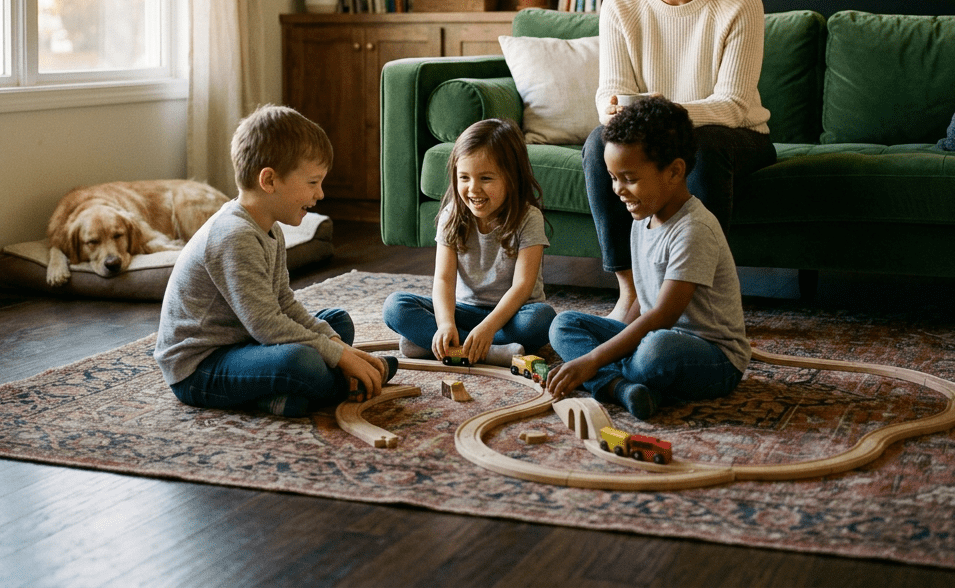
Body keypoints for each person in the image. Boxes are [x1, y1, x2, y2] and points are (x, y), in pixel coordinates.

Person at [583, 0, 776, 322]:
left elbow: (731, 105)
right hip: (655, 132)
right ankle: (631, 294)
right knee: (599, 143)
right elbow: (609, 89)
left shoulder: (739, 2)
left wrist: (664, 111)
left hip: (737, 136)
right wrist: (613, 110)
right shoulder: (619, 3)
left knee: (702, 146)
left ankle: (696, 300)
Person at [154, 105, 397, 417]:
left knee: (337, 322)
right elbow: (267, 326)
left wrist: (340, 348)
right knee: (300, 361)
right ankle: (338, 384)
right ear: (269, 180)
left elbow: (283, 302)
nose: (320, 193)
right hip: (200, 369)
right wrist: (342, 357)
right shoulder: (234, 236)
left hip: (244, 342)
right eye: (312, 182)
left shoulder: (271, 228)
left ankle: (284, 397)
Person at [547, 97, 750, 419]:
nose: (617, 190)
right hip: (655, 337)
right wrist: (614, 342)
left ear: (674, 171)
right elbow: (645, 300)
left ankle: (611, 377)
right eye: (613, 178)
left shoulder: (694, 229)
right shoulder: (642, 216)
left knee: (655, 351)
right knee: (564, 324)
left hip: (711, 357)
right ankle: (622, 388)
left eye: (629, 178)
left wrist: (594, 359)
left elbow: (662, 316)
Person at [382, 118, 556, 366]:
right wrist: (444, 324)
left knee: (542, 319)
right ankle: (490, 353)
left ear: (512, 177)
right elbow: (443, 279)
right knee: (395, 307)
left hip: (511, 316)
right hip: (464, 312)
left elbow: (523, 286)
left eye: (486, 178)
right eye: (464, 177)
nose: (474, 189)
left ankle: (437, 346)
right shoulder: (450, 216)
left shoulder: (529, 218)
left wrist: (487, 328)